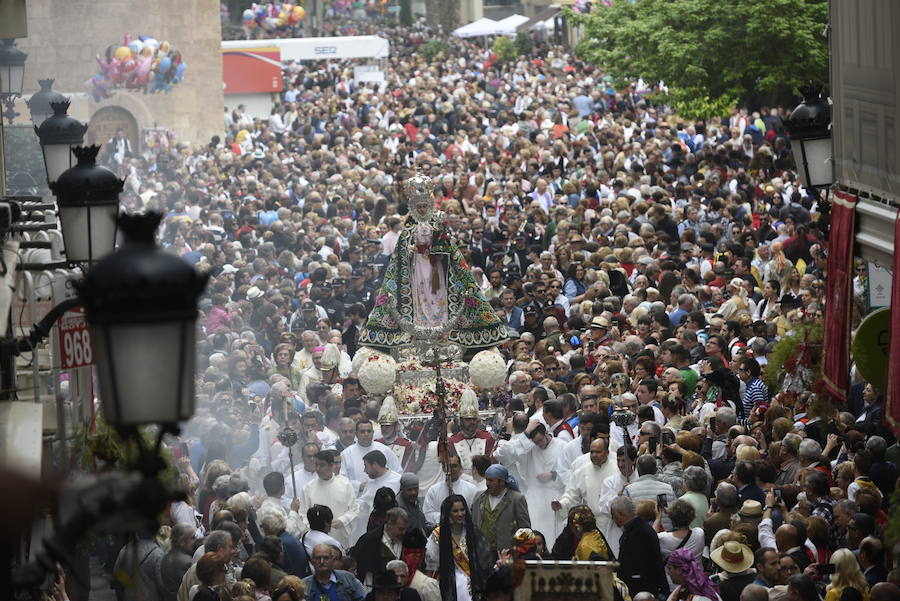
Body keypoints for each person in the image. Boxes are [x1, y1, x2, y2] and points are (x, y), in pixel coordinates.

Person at [426, 495, 492, 601]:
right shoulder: (438, 534)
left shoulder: (472, 531)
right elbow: (430, 564)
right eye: (455, 511)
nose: (460, 514)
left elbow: (485, 560)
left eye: (462, 510)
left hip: (472, 581)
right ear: (448, 513)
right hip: (447, 581)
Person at [297, 450, 359, 549]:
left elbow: (354, 510)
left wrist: (342, 521)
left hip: (339, 536)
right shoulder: (308, 488)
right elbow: (302, 514)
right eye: (316, 465)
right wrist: (315, 528)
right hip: (316, 542)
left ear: (331, 465)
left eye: (322, 465)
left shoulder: (345, 485)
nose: (317, 469)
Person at [611, 495, 667, 598]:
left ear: (618, 514)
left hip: (640, 588)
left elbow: (641, 564)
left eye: (613, 515)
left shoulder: (638, 532)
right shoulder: (641, 528)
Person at [471, 465, 531, 555]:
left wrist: (520, 552)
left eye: (491, 481)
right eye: (487, 479)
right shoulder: (479, 497)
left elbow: (525, 529)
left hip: (507, 553)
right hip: (482, 552)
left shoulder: (516, 499)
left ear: (502, 482)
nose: (487, 483)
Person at [352, 507, 409, 587]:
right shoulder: (368, 541)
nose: (403, 532)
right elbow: (363, 570)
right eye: (400, 529)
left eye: (405, 529)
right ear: (389, 524)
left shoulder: (407, 540)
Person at [422, 456, 477, 526]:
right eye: (448, 466)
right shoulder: (433, 490)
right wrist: (446, 517)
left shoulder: (471, 489)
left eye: (454, 466)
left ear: (460, 467)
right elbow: (427, 513)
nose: (450, 469)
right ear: (443, 468)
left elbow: (475, 513)